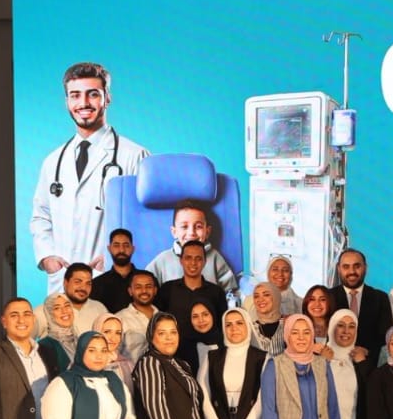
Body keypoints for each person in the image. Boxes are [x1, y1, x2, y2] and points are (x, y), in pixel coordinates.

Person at [29, 62, 151, 294]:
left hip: (111, 279)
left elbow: (146, 221)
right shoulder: (53, 161)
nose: (83, 103)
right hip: (63, 283)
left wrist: (114, 257)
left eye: (92, 94)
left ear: (107, 98)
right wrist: (47, 258)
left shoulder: (135, 156)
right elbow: (41, 217)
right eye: (75, 95)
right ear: (67, 101)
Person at [154, 239, 226, 371]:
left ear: (205, 262)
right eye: (188, 258)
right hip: (174, 360)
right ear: (181, 260)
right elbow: (158, 325)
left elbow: (222, 328)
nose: (193, 263)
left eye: (198, 258)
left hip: (210, 361)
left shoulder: (216, 292)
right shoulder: (167, 289)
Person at [145, 199, 238, 291]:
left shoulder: (215, 258)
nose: (191, 233)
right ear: (174, 232)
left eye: (198, 227)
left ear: (207, 232)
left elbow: (231, 291)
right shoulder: (162, 260)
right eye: (184, 227)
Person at [328, 248, 390, 365]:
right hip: (334, 365)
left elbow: (386, 337)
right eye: (346, 267)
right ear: (338, 268)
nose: (352, 271)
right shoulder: (328, 297)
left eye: (357, 266)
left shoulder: (380, 298)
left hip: (369, 366)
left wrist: (367, 352)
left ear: (365, 268)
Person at [34, 263, 108, 338]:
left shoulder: (99, 309)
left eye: (88, 283)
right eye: (78, 282)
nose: (83, 288)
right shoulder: (45, 310)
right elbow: (26, 338)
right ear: (65, 283)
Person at [89, 228, 138, 312]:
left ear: (133, 249)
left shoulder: (146, 281)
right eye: (116, 245)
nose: (121, 250)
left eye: (126, 245)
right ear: (109, 248)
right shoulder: (96, 284)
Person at [115, 269, 158, 362]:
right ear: (130, 291)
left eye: (148, 286)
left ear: (155, 290)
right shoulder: (119, 319)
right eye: (138, 287)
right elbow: (113, 355)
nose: (144, 290)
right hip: (131, 371)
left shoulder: (165, 318)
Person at [38, 293, 79, 369]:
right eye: (57, 308)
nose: (64, 311)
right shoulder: (44, 346)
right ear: (50, 314)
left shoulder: (81, 341)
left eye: (67, 305)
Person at [247, 281, 286, 358]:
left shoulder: (288, 324)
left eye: (266, 295)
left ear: (275, 297)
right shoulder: (250, 329)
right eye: (256, 296)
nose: (260, 299)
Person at [99, 314, 135, 387]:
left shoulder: (128, 364)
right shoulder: (87, 364)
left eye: (118, 333)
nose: (113, 338)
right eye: (107, 332)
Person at [302, 284, 334, 349]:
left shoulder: (337, 328)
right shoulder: (297, 327)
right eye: (312, 299)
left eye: (322, 299)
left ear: (330, 302)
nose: (317, 304)